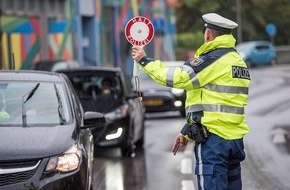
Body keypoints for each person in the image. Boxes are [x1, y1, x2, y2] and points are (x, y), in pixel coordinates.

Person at [132, 13, 251, 190]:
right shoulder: (238, 61)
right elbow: (214, 102)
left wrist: (144, 60)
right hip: (234, 142)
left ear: (208, 35)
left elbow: (178, 77)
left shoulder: (212, 59)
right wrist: (187, 131)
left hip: (214, 142)